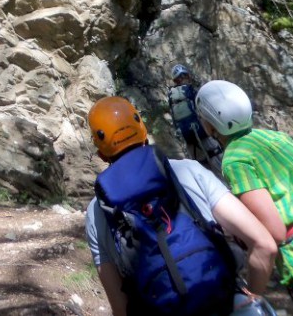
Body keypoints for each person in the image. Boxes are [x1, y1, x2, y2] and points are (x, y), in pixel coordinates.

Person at [85, 96, 278, 316]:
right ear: (143, 130)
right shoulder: (188, 170)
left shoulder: (96, 212)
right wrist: (249, 298)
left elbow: (120, 308)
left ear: (101, 152)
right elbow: (264, 245)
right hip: (224, 301)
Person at [196, 80, 293, 316]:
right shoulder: (276, 138)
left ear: (210, 123)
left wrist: (254, 296)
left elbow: (273, 233)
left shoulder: (235, 160)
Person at [169, 64, 223, 174]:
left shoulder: (171, 97)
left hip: (189, 141)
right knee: (219, 163)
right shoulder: (191, 91)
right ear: (187, 76)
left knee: (204, 170)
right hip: (202, 134)